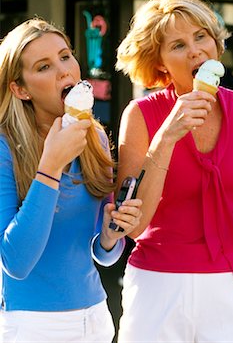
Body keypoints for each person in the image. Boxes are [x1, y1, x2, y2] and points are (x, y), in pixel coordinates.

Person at [115, 0, 233, 343]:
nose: (195, 50)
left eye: (201, 37)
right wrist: (167, 136)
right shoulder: (140, 116)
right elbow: (133, 225)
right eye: (178, 45)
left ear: (216, 45)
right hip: (157, 285)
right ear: (160, 64)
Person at [0, 18, 142, 343]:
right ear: (20, 89)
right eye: (44, 66)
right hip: (29, 324)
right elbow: (16, 262)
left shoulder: (94, 138)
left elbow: (103, 254)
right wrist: (51, 164)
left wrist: (109, 235)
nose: (64, 70)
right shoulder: (5, 147)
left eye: (65, 56)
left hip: (95, 318)